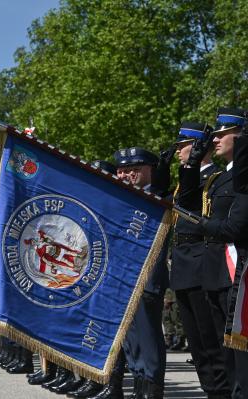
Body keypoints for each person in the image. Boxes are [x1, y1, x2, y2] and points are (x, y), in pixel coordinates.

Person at [179, 107, 248, 398]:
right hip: (214, 272)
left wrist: (206, 226)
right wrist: (190, 168)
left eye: (223, 134)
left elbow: (235, 227)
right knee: (217, 354)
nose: (215, 140)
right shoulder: (219, 178)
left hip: (232, 271)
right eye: (215, 135)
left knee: (237, 360)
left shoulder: (241, 176)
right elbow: (188, 203)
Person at [170, 121, 231, 397]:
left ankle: (219, 392)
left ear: (197, 147)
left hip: (201, 262)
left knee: (211, 343)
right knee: (197, 345)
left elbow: (194, 209)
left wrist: (191, 168)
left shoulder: (215, 177)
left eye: (183, 146)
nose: (178, 151)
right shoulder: (186, 178)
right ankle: (211, 390)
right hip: (183, 264)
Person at [111, 147, 169, 398]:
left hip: (146, 278)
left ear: (150, 171)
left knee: (147, 337)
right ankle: (139, 384)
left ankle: (151, 387)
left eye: (135, 170)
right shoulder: (120, 198)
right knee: (130, 339)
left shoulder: (157, 197)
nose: (128, 175)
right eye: (123, 171)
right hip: (123, 279)